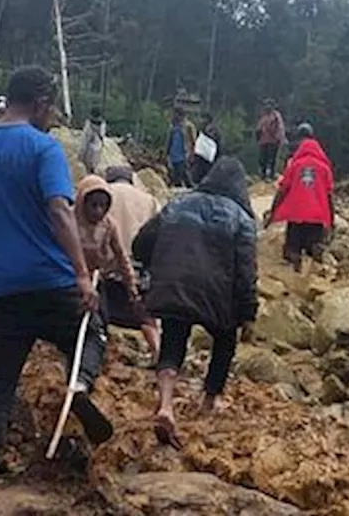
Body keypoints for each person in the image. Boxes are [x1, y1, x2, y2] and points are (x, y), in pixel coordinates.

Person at [0, 66, 111, 479]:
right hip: (51, 280)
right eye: (51, 109)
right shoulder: (43, 148)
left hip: (0, 288)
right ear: (41, 103)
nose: (51, 117)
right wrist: (81, 275)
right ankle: (79, 387)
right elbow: (59, 210)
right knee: (91, 332)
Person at [132, 157, 258, 449]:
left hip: (175, 285)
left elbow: (141, 243)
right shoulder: (241, 218)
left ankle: (165, 404)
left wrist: (156, 268)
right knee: (224, 342)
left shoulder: (178, 204)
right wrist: (248, 313)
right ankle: (210, 400)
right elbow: (246, 271)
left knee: (174, 340)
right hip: (217, 295)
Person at [74, 175, 160, 362]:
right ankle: (157, 354)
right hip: (129, 270)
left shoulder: (105, 221)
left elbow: (120, 255)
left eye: (102, 206)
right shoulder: (149, 200)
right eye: (94, 205)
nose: (98, 211)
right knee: (145, 318)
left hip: (104, 275)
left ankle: (92, 359)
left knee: (99, 319)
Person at [267, 124, 335, 273]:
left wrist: (273, 212)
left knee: (291, 251)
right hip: (317, 218)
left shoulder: (294, 165)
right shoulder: (324, 168)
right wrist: (331, 220)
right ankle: (314, 285)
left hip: (296, 216)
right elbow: (330, 196)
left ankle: (294, 281)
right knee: (314, 252)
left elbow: (282, 191)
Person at [255, 99, 286, 181]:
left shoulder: (276, 116)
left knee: (271, 159)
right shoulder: (263, 116)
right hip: (263, 141)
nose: (267, 106)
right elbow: (258, 127)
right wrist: (258, 137)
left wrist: (279, 139)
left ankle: (271, 175)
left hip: (273, 140)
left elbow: (280, 128)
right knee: (262, 159)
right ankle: (263, 175)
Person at [165, 108, 196, 188]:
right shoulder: (173, 127)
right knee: (175, 175)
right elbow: (169, 141)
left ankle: (189, 188)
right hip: (173, 154)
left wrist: (192, 153)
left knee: (183, 173)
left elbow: (193, 141)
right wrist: (166, 153)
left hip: (183, 154)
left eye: (175, 114)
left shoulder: (188, 126)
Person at [191, 112, 222, 184]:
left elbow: (215, 143)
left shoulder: (212, 129)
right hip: (202, 155)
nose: (201, 121)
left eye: (203, 119)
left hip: (208, 156)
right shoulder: (202, 130)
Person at [79, 107, 107, 176]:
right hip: (97, 146)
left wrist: (81, 153)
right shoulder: (102, 124)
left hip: (90, 146)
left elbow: (85, 139)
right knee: (94, 166)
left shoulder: (89, 124)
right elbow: (102, 136)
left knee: (88, 168)